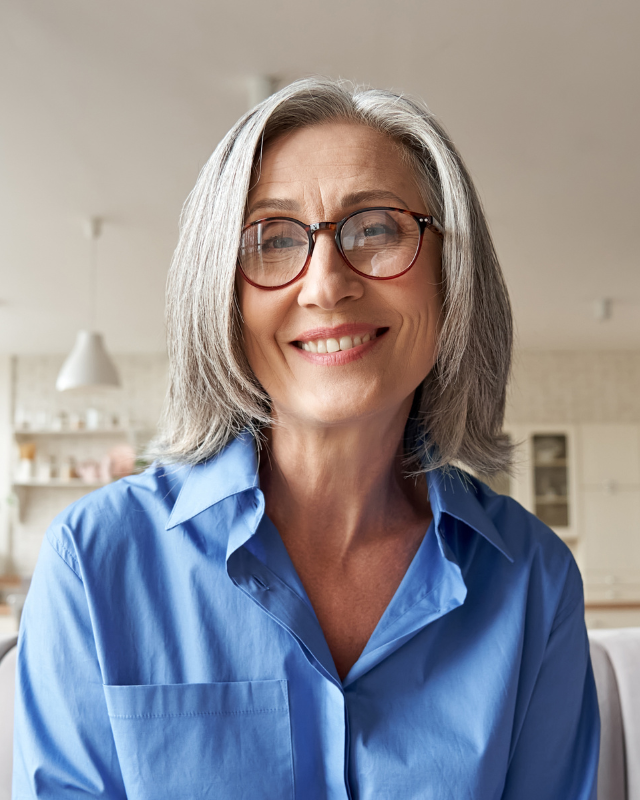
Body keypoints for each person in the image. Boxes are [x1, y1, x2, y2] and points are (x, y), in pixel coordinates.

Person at [13, 78, 599, 799]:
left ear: (453, 274)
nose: (325, 285)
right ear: (220, 294)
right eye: (270, 239)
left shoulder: (534, 581)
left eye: (378, 229)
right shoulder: (94, 561)